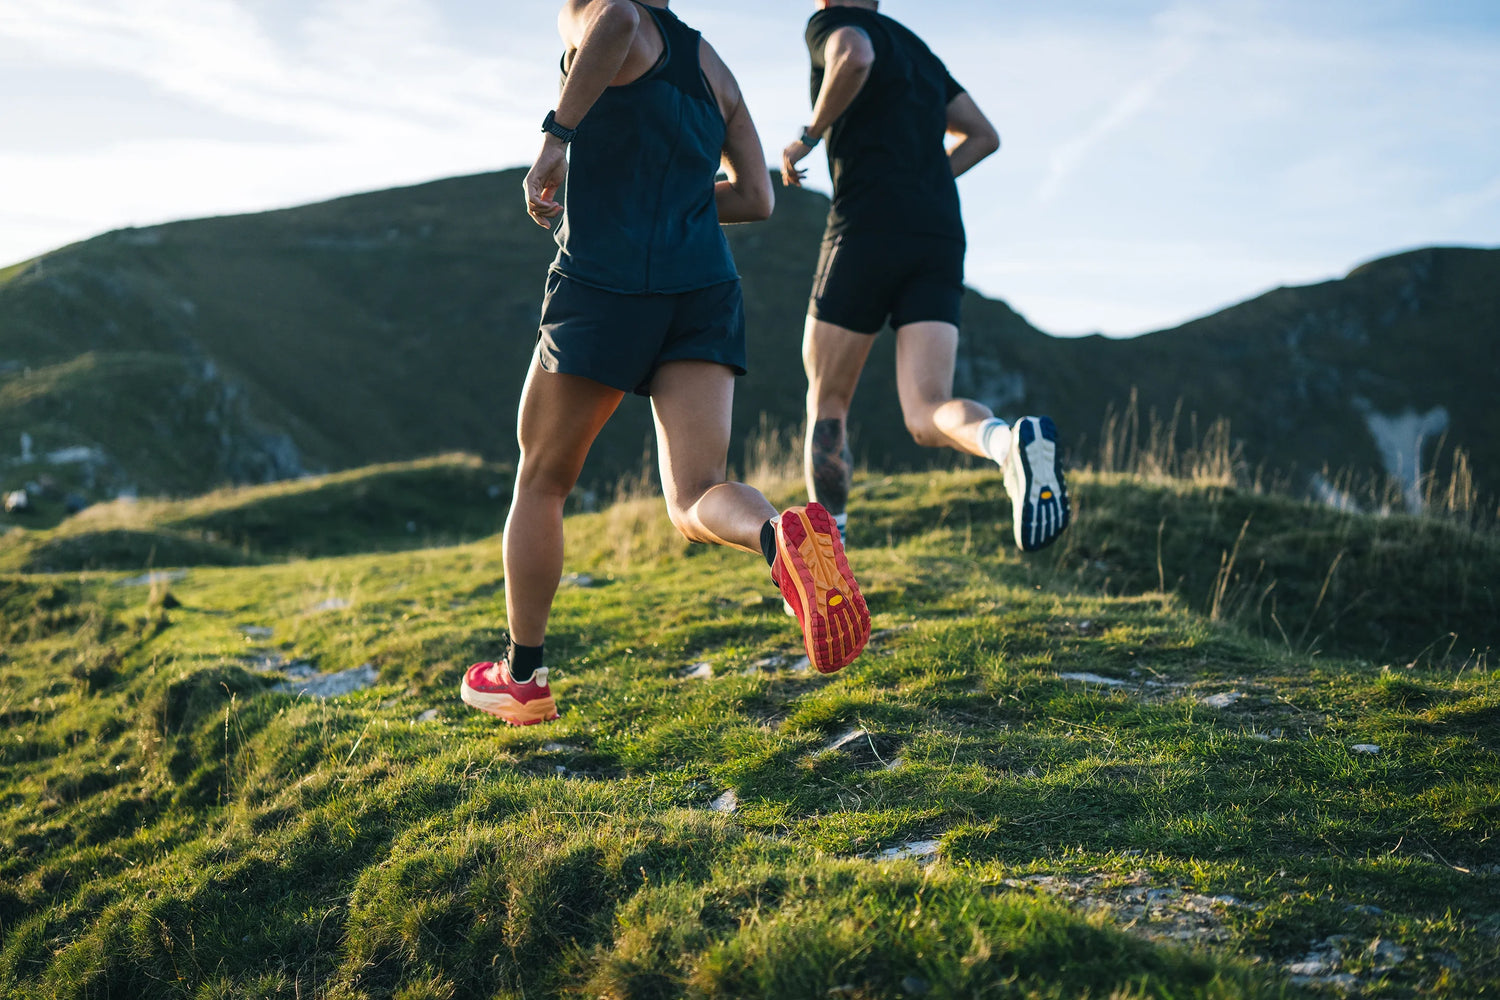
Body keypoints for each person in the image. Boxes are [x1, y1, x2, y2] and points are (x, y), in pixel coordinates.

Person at [462, 0, 872, 726]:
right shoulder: (715, 69)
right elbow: (757, 197)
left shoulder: (596, 13)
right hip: (703, 288)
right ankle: (779, 536)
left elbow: (614, 17)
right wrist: (675, 200)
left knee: (543, 478)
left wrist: (556, 138)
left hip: (604, 282)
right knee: (693, 497)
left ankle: (522, 679)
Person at [781, 0, 1070, 554]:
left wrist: (809, 135)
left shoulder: (833, 25)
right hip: (938, 232)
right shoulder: (917, 51)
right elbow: (983, 135)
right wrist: (926, 180)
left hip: (865, 227)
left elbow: (854, 56)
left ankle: (831, 552)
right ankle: (1007, 445)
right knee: (926, 410)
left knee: (829, 400)